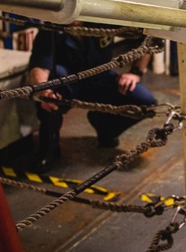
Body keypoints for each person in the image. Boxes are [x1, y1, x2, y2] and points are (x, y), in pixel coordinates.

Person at [28, 24, 156, 172]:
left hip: (100, 79)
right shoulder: (51, 28)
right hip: (67, 83)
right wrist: (44, 92)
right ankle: (49, 145)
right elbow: (40, 65)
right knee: (49, 94)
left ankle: (105, 127)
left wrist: (135, 72)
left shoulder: (102, 19)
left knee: (145, 103)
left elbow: (148, 35)